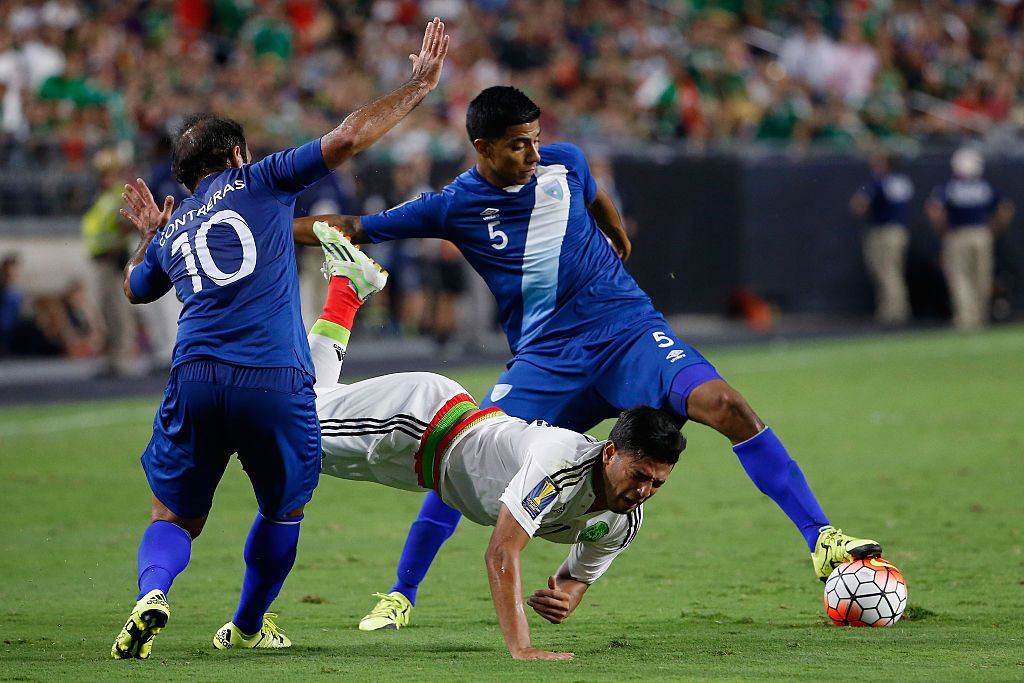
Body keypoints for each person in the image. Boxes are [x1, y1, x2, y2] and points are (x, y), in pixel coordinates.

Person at [298, 86, 881, 631]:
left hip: (627, 332)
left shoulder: (564, 162)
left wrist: (614, 227)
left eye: (536, 138)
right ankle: (402, 593)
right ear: (483, 147)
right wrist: (264, 224)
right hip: (547, 358)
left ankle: (821, 539)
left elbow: (593, 189)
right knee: (462, 457)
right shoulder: (453, 206)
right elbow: (352, 226)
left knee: (726, 405)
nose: (533, 153)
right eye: (517, 144)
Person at [110, 17, 449, 660]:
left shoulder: (176, 230)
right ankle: (246, 623)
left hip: (196, 375)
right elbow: (349, 136)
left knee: (172, 516)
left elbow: (134, 289)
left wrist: (153, 232)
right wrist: (416, 86)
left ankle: (153, 594)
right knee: (281, 512)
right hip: (274, 381)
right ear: (238, 155)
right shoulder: (262, 180)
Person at [301, 221, 684, 661]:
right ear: (611, 452)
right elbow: (501, 551)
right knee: (288, 427)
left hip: (420, 468)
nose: (644, 492)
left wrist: (568, 596)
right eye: (640, 476)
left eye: (656, 484)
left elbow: (578, 574)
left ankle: (349, 289)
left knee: (305, 421)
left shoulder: (625, 521)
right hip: (419, 421)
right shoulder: (561, 460)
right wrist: (522, 647)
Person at [926, 147, 1015, 330]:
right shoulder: (984, 186)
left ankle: (966, 318)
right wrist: (995, 228)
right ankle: (981, 315)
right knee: (981, 275)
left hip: (959, 234)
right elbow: (1006, 208)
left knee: (960, 276)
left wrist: (943, 230)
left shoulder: (950, 187)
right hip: (981, 234)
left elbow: (934, 210)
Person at [81, 147, 136, 376]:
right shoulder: (103, 195)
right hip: (101, 259)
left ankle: (121, 358)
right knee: (106, 310)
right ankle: (112, 357)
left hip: (113, 259)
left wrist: (118, 245)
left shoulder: (118, 194)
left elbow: (128, 223)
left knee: (117, 310)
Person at [849, 154, 914, 325]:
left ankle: (892, 312)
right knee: (894, 271)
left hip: (883, 231)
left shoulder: (878, 182)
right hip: (900, 230)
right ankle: (895, 308)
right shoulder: (903, 181)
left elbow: (859, 204)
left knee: (885, 271)